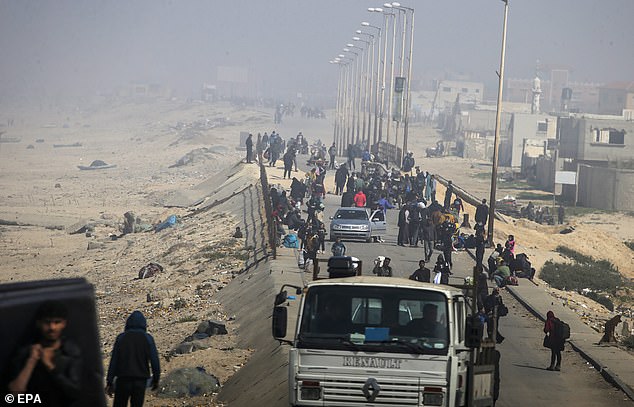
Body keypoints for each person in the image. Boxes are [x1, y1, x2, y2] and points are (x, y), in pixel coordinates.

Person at [8, 300, 82, 406]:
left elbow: (75, 392)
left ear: (64, 324)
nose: (52, 327)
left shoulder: (70, 353)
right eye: (47, 322)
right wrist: (31, 361)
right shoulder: (25, 354)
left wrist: (51, 367)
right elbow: (12, 396)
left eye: (56, 322)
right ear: (39, 323)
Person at [106, 310, 160, 407]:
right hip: (140, 381)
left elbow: (114, 361)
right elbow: (154, 360)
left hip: (123, 379)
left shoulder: (121, 338)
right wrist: (156, 379)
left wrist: (109, 381)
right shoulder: (148, 338)